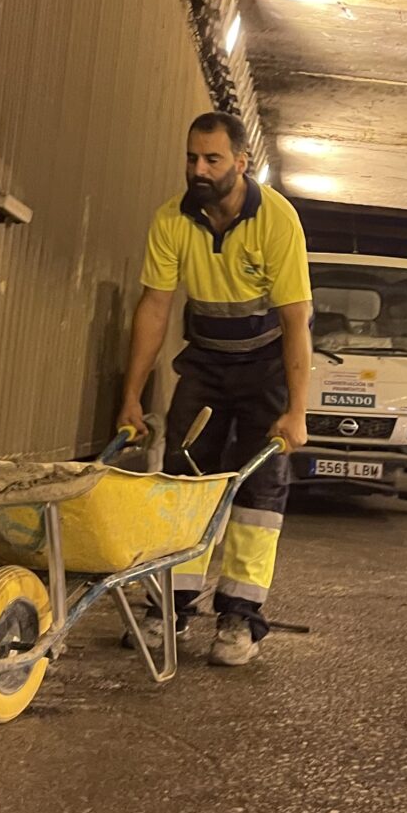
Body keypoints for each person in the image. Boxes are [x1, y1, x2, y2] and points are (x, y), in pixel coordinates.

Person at [117, 111, 312, 666]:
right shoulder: (172, 220)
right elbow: (155, 308)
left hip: (266, 372)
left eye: (212, 160)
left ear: (241, 163)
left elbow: (297, 319)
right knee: (182, 484)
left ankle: (240, 617)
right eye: (191, 158)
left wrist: (297, 410)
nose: (198, 170)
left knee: (258, 496)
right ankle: (169, 607)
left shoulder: (277, 221)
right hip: (205, 365)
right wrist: (131, 397)